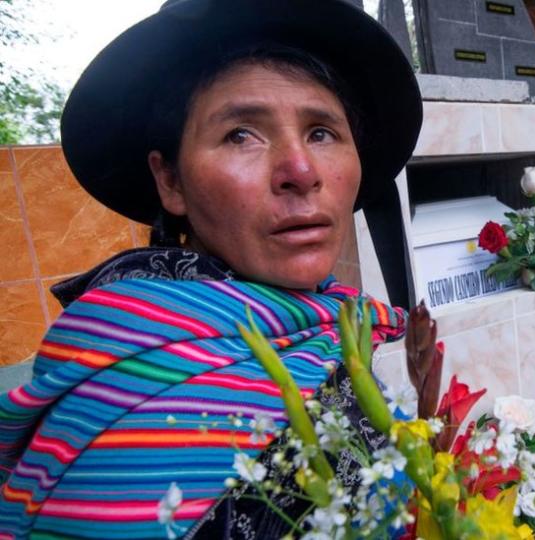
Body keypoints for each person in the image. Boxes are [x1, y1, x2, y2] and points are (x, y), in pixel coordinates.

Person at [0, 1, 423, 538]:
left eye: (322, 132)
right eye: (241, 134)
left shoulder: (326, 320)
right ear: (171, 180)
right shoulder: (129, 383)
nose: (301, 170)